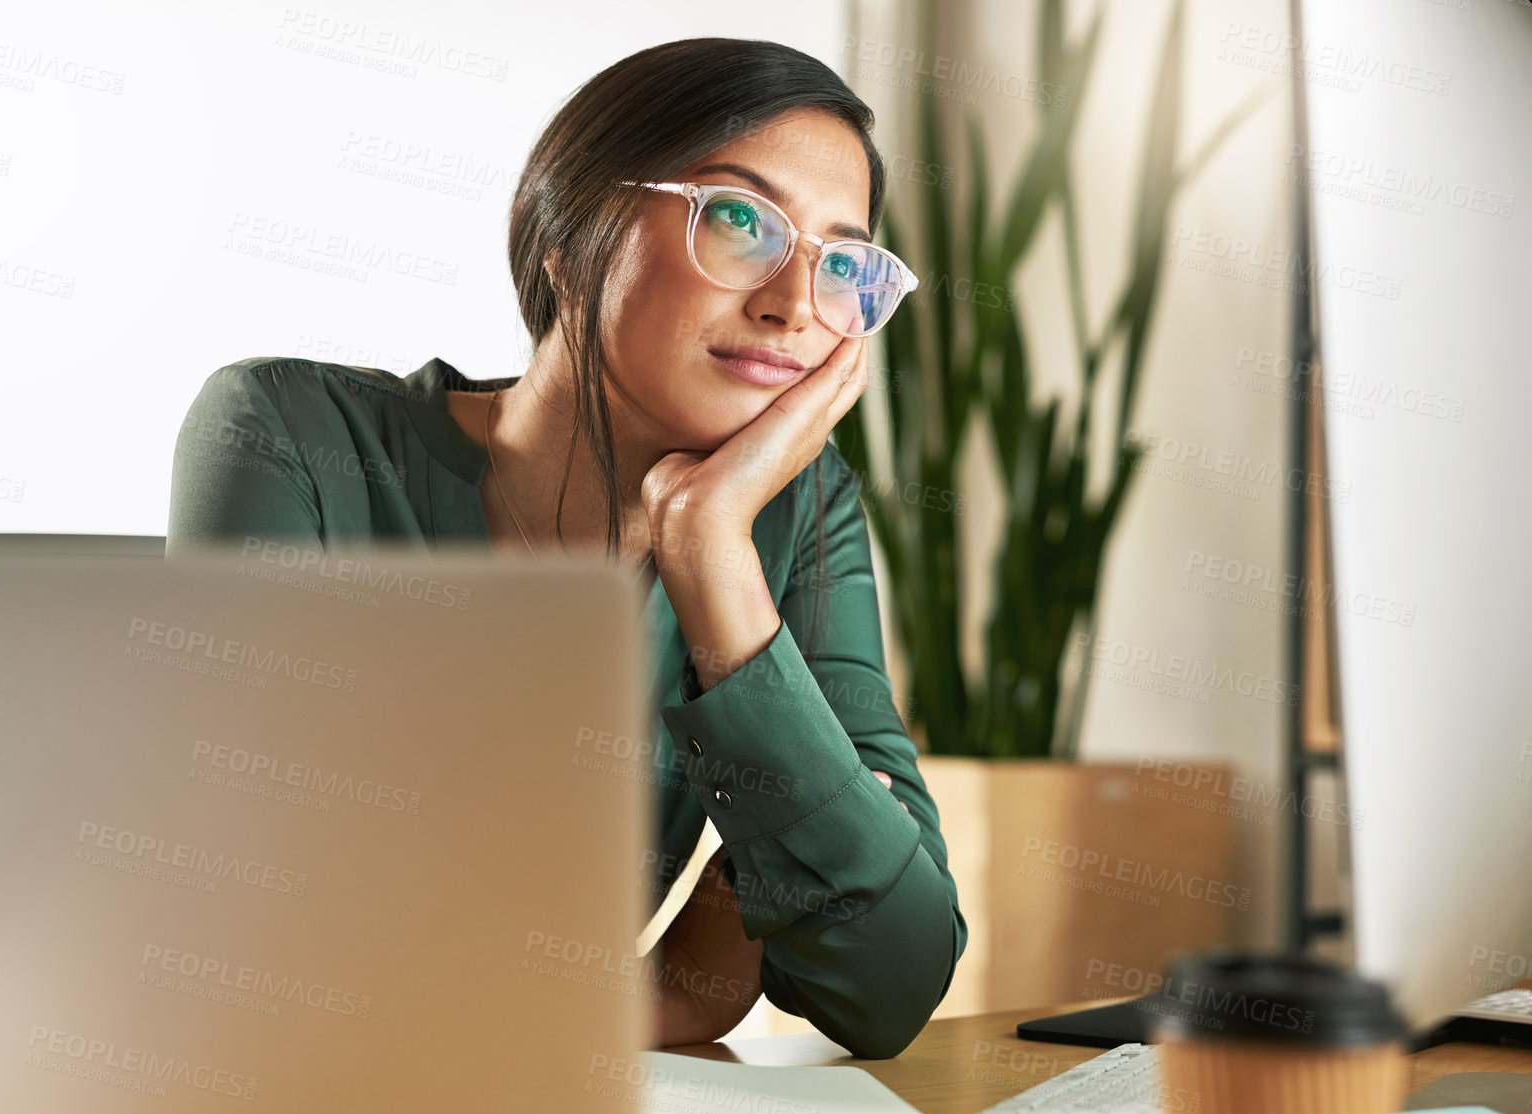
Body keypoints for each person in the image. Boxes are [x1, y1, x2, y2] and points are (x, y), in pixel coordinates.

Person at [166, 35, 966, 1060]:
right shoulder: (290, 438)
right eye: (737, 219)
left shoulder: (792, 514)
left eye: (842, 263)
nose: (791, 305)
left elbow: (890, 982)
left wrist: (711, 547)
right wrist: (661, 1001)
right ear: (570, 233)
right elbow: (258, 934)